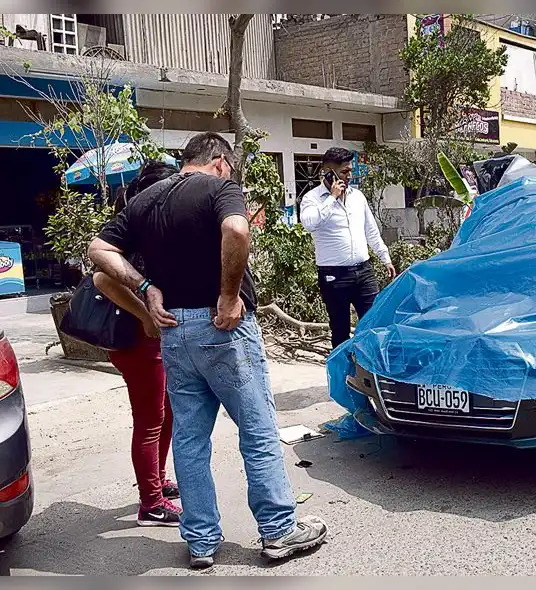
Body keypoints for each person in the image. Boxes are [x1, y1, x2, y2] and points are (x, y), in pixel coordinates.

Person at [88, 133, 328, 569]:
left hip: (174, 330)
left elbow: (98, 250)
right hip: (223, 328)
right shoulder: (220, 188)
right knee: (256, 430)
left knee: (189, 437)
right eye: (231, 169)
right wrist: (230, 294)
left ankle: (200, 540)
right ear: (220, 161)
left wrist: (146, 289)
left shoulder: (147, 199)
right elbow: (236, 229)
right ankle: (278, 531)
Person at [93, 160, 181, 527]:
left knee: (167, 414)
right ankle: (151, 505)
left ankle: (156, 482)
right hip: (136, 340)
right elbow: (101, 278)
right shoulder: (132, 228)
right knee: (149, 420)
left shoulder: (154, 225)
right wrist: (145, 314)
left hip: (153, 338)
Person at [299, 147, 396, 350]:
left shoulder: (357, 197)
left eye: (350, 170)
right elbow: (309, 224)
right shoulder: (312, 199)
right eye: (344, 171)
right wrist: (332, 198)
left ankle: (371, 374)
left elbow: (370, 230)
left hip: (364, 271)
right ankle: (342, 378)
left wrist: (384, 257)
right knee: (340, 330)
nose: (349, 175)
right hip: (334, 276)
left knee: (374, 324)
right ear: (328, 171)